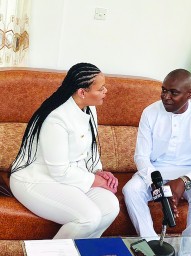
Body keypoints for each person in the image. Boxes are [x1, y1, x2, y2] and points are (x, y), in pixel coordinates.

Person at [10, 62, 119, 239]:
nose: (106, 91)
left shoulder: (89, 108)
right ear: (82, 92)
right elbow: (59, 171)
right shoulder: (56, 119)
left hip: (73, 175)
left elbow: (90, 149)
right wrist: (95, 181)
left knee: (110, 207)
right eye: (101, 89)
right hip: (37, 180)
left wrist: (99, 171)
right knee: (88, 218)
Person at [122, 69, 191, 256]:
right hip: (154, 171)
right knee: (130, 190)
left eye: (173, 92)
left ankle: (186, 254)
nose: (166, 97)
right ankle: (152, 250)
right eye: (163, 90)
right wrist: (158, 185)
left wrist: (183, 181)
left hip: (190, 173)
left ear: (189, 94)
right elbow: (141, 157)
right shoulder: (150, 112)